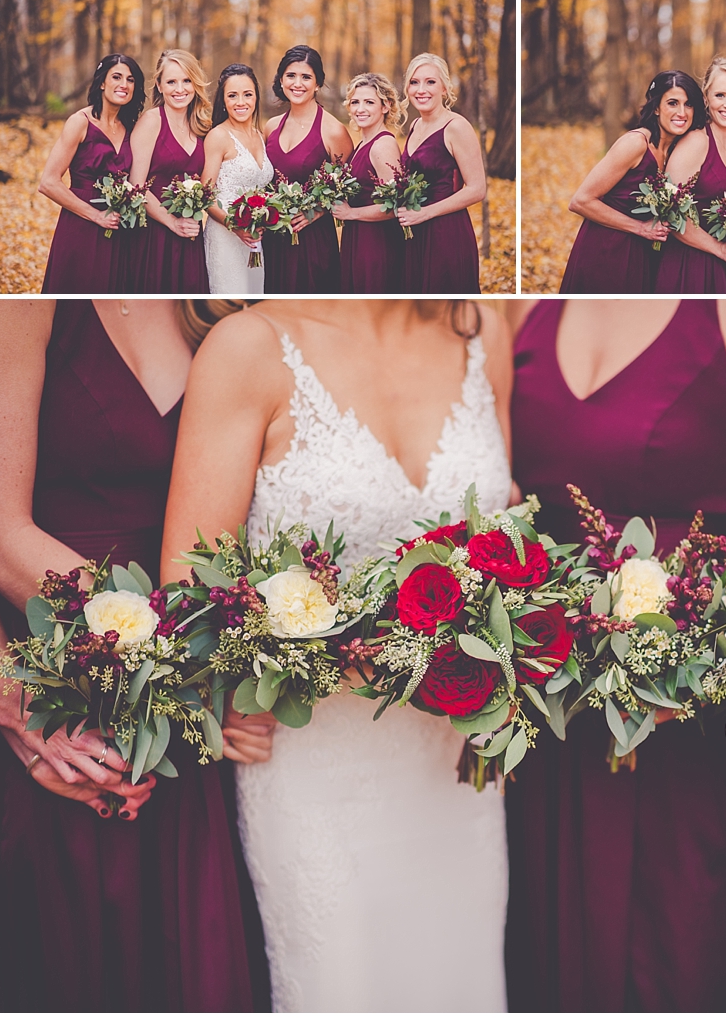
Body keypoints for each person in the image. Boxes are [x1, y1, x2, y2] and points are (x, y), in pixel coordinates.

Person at [160, 299, 514, 1011]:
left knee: (460, 981)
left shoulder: (478, 326)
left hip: (454, 766)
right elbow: (189, 589)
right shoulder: (247, 349)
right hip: (313, 763)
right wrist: (250, 680)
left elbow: (505, 545)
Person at [503, 298, 726, 1010]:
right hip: (544, 723)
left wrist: (677, 654)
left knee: (682, 965)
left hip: (687, 719)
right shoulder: (520, 309)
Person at [0, 299, 260, 1011]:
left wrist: (246, 674)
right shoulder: (21, 311)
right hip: (60, 696)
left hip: (193, 715)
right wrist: (147, 657)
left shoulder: (236, 313)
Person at [558, 70, 700, 293]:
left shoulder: (676, 152)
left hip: (642, 255)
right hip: (607, 250)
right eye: (672, 103)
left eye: (688, 104)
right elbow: (580, 201)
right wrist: (640, 228)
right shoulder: (635, 143)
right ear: (655, 107)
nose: (681, 112)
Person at [40, 53, 144, 293]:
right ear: (101, 82)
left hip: (119, 231)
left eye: (130, 80)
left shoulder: (131, 127)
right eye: (116, 77)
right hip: (81, 226)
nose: (124, 85)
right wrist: (96, 216)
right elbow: (48, 182)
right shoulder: (80, 122)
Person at [654, 57, 726, 293]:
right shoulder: (697, 141)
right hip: (688, 264)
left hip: (723, 266)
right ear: (706, 97)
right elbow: (671, 213)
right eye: (720, 95)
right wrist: (719, 249)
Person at [263, 46, 353, 293]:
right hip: (272, 237)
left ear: (318, 83)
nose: (297, 83)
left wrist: (318, 211)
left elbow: (348, 188)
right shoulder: (270, 127)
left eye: (306, 77)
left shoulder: (333, 131)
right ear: (281, 80)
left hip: (312, 241)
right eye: (291, 75)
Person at [398, 53, 485, 293]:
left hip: (446, 234)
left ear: (445, 88)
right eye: (414, 82)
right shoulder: (415, 125)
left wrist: (425, 213)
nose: (421, 89)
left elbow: (477, 189)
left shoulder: (456, 127)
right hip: (414, 232)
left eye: (430, 82)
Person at [127, 49, 211, 293]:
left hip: (191, 235)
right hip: (154, 236)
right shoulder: (152, 122)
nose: (180, 89)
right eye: (171, 82)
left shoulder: (202, 127)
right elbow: (136, 187)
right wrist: (172, 222)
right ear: (160, 86)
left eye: (186, 81)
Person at [202, 64, 274, 295]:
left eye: (247, 94)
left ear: (256, 97)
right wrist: (235, 226)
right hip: (225, 236)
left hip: (254, 239)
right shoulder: (218, 136)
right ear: (223, 100)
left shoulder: (259, 135)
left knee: (253, 294)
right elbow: (205, 196)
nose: (240, 102)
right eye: (232, 95)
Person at [332, 72, 405, 293]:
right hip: (358, 239)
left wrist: (350, 213)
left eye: (369, 102)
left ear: (385, 106)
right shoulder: (364, 143)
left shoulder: (382, 145)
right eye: (355, 102)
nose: (360, 109)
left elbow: (395, 206)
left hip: (376, 245)